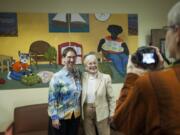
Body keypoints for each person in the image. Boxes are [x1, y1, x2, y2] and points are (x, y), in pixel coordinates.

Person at [112, 2, 180, 135]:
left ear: (178, 33)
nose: (166, 35)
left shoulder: (151, 83)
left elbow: (120, 122)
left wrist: (132, 75)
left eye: (168, 29)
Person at [48, 47, 82, 135]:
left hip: (75, 115)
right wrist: (54, 117)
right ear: (63, 58)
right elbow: (52, 99)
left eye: (74, 57)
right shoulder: (57, 77)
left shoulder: (78, 74)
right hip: (61, 117)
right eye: (69, 57)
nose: (72, 59)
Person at [81, 52, 116, 135]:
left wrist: (112, 113)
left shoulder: (106, 77)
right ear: (86, 67)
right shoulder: (82, 76)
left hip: (102, 111)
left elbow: (111, 97)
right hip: (86, 111)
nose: (93, 65)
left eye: (94, 63)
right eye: (90, 64)